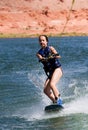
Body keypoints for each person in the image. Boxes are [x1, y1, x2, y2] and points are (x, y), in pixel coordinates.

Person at [36, 35, 63, 105]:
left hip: (57, 69)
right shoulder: (38, 53)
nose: (41, 42)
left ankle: (59, 99)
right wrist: (43, 59)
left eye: (43, 40)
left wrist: (53, 55)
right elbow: (41, 58)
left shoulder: (51, 48)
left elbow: (58, 56)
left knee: (52, 84)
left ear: (47, 41)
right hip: (50, 73)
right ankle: (54, 101)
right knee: (45, 90)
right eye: (40, 41)